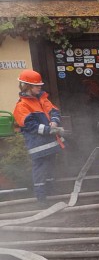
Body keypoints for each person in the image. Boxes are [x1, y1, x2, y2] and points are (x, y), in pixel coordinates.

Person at [12, 69, 65, 204]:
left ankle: (51, 192)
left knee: (51, 167)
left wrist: (55, 121)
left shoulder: (42, 99)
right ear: (27, 86)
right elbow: (31, 126)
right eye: (36, 85)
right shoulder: (21, 106)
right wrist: (50, 130)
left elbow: (54, 111)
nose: (40, 87)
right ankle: (41, 197)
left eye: (40, 85)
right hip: (38, 145)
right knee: (40, 169)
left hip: (50, 142)